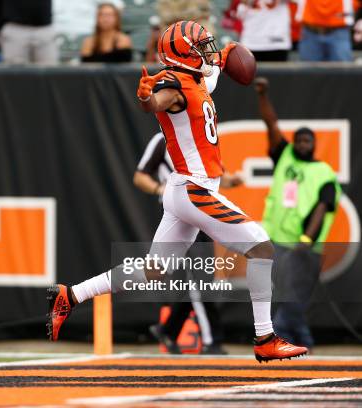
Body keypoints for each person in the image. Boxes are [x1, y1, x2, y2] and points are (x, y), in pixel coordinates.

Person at [47, 20, 308, 363]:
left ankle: (70, 295)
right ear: (184, 53)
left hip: (185, 189)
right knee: (261, 247)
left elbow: (218, 70)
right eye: (201, 46)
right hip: (193, 188)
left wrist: (227, 53)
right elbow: (157, 102)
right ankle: (265, 337)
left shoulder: (197, 77)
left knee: (155, 269)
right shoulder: (174, 84)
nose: (209, 51)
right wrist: (145, 98)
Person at [135, 131, 243, 355]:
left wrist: (231, 180)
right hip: (178, 212)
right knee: (198, 278)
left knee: (201, 276)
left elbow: (215, 171)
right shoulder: (161, 139)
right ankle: (211, 340)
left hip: (202, 207)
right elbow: (140, 176)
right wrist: (159, 188)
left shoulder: (200, 135)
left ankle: (169, 329)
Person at [254, 77, 340, 350]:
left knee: (293, 298)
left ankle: (284, 338)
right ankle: (304, 342)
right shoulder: (285, 156)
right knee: (288, 296)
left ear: (314, 144)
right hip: (278, 241)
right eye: (299, 140)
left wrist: (307, 239)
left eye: (307, 140)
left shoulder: (324, 172)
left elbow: (323, 207)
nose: (302, 144)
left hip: (305, 247)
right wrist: (264, 96)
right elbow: (271, 124)